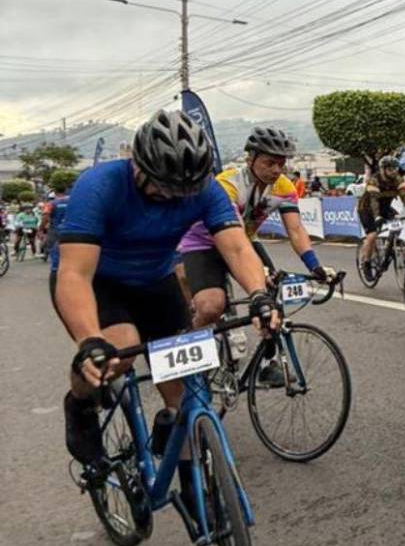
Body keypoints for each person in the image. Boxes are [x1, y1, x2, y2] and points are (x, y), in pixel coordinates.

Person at [53, 110, 277, 508]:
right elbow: (73, 274)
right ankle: (81, 403)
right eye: (165, 188)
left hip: (155, 281)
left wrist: (259, 295)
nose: (175, 198)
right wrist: (89, 339)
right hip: (99, 280)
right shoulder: (99, 185)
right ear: (138, 166)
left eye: (184, 191)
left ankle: (193, 481)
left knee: (185, 383)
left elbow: (237, 246)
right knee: (119, 350)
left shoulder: (202, 188)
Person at [178, 125, 333, 345]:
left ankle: (269, 362)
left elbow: (296, 230)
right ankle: (187, 348)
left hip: (245, 241)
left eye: (281, 164)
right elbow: (234, 236)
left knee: (270, 302)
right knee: (211, 306)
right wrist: (259, 271)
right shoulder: (228, 183)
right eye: (270, 163)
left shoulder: (283, 186)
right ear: (250, 159)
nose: (277, 170)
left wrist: (315, 266)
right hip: (204, 243)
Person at [356, 155, 405, 271]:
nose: (393, 172)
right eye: (390, 169)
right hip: (367, 208)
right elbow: (374, 202)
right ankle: (366, 263)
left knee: (398, 223)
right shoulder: (375, 180)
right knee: (372, 236)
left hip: (385, 207)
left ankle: (389, 246)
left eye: (395, 168)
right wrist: (377, 216)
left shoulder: (397, 179)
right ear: (383, 170)